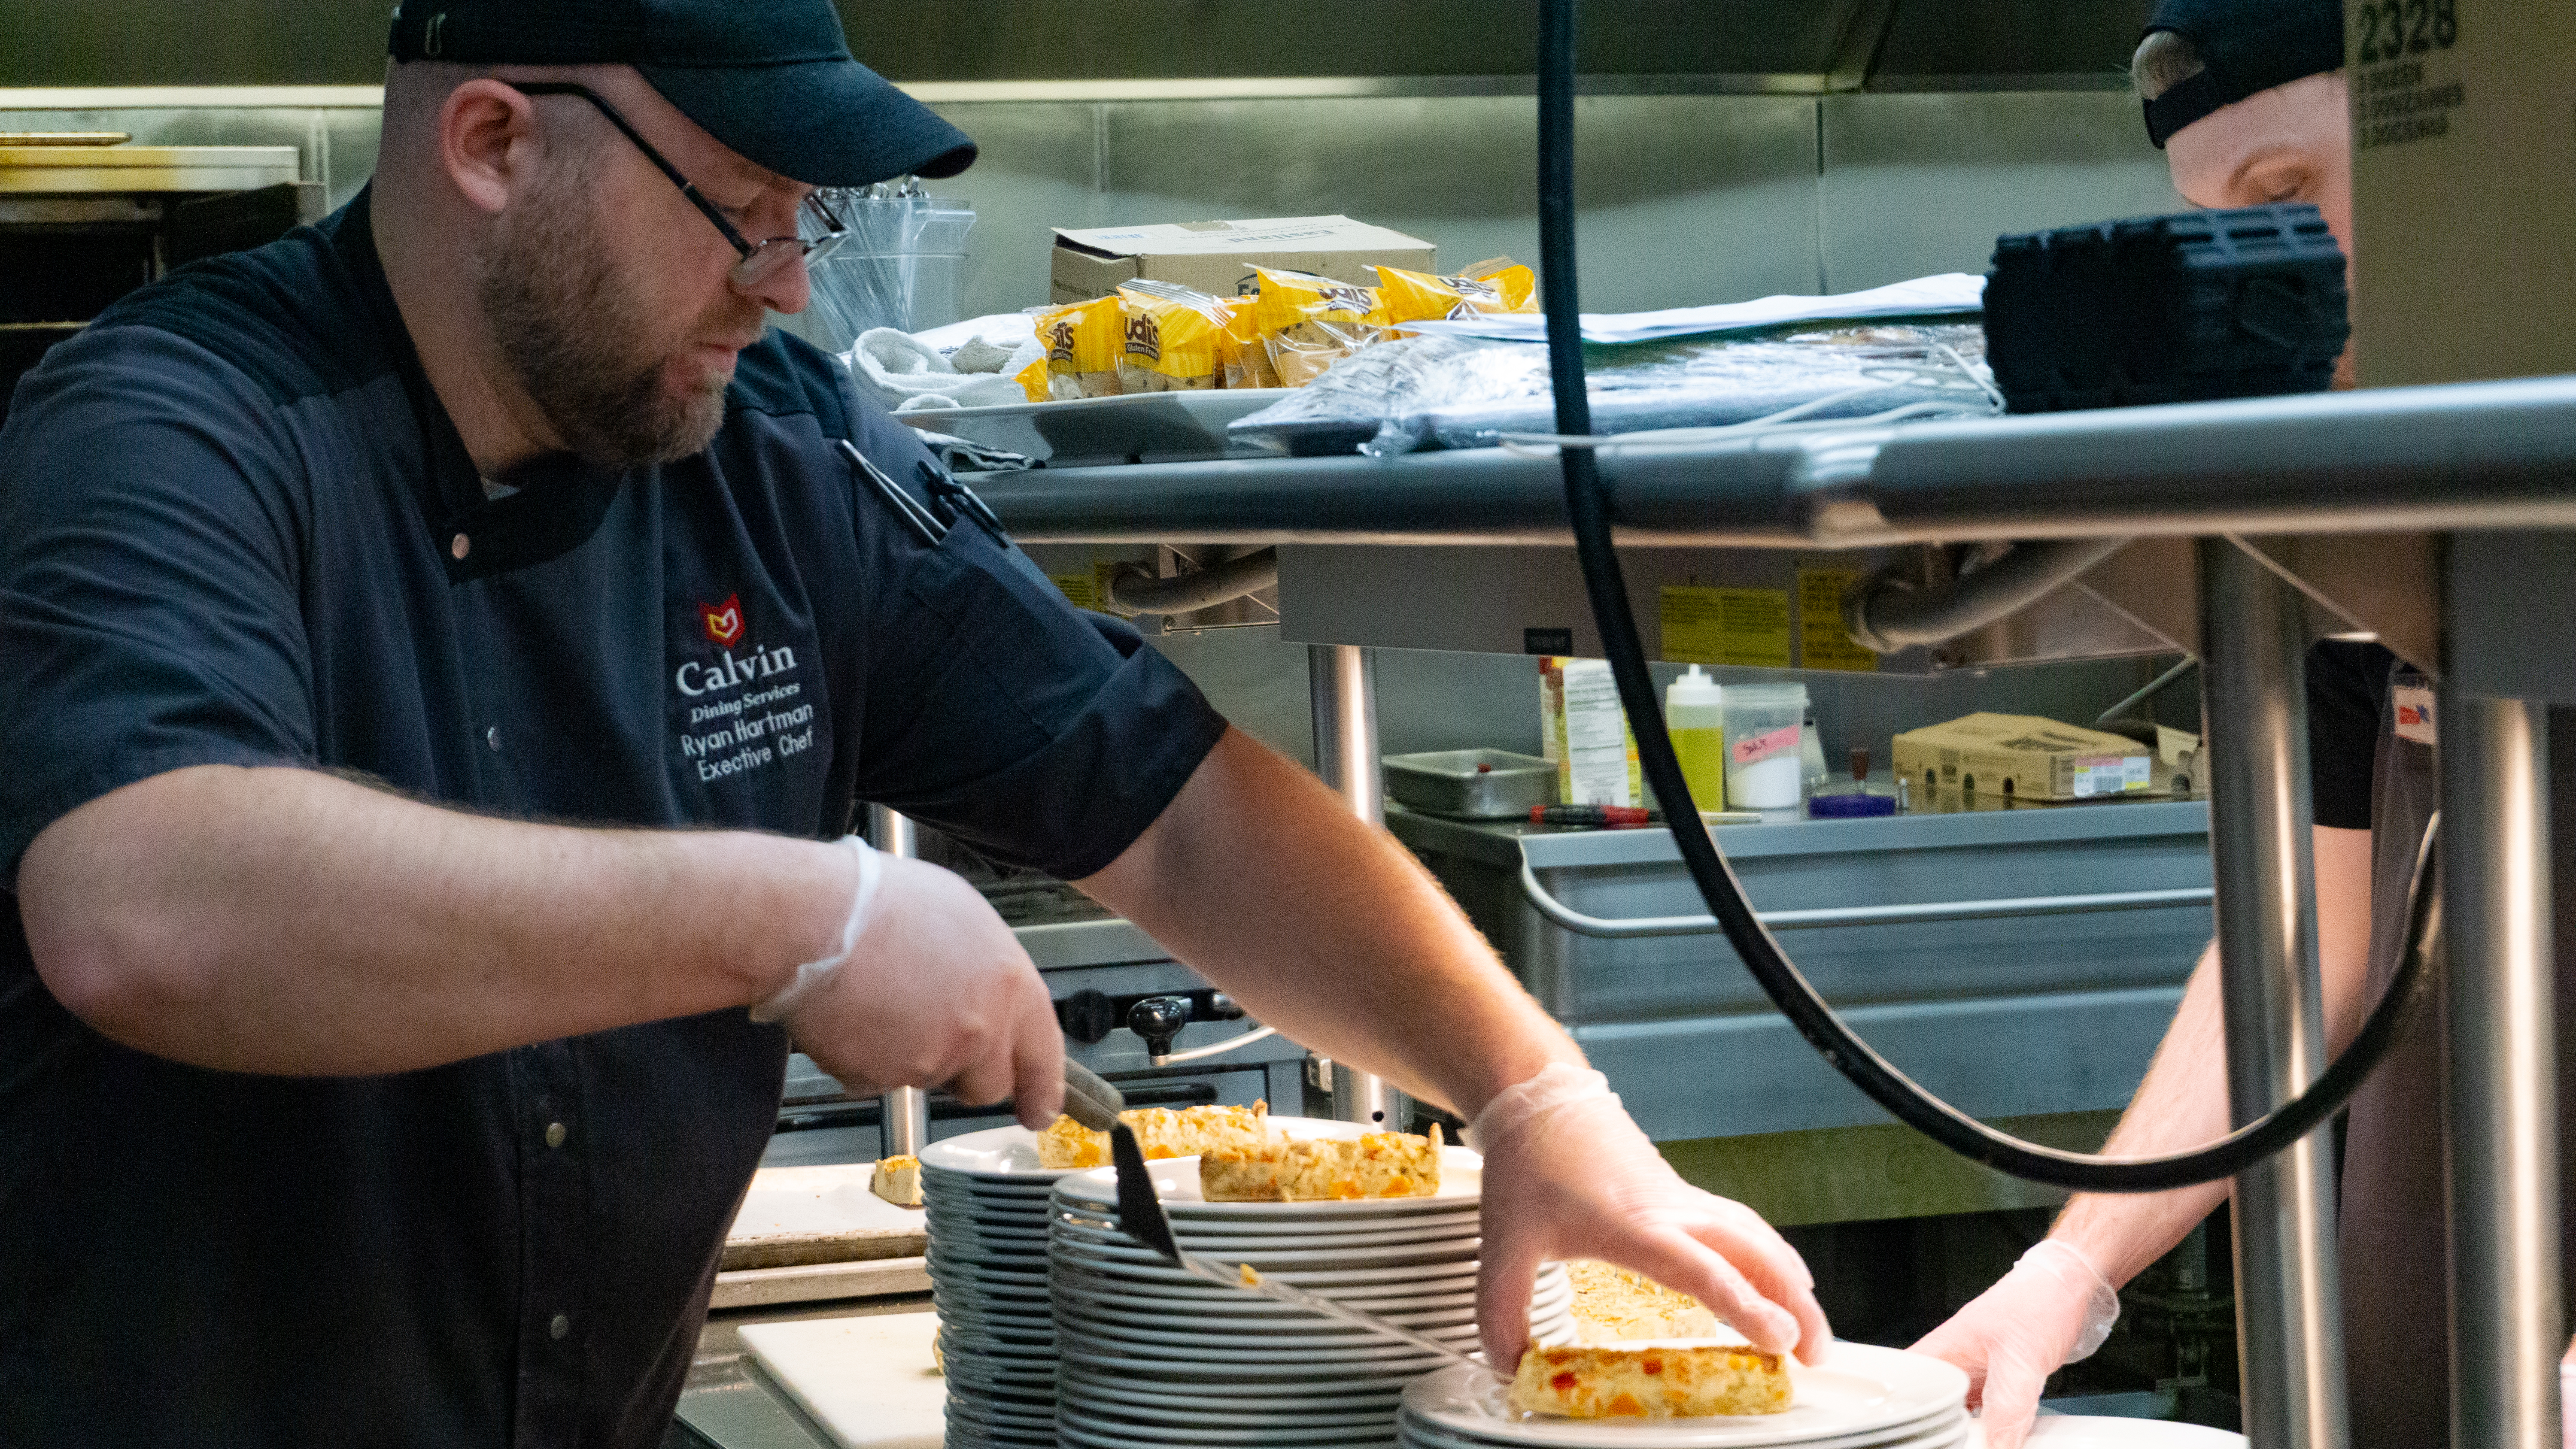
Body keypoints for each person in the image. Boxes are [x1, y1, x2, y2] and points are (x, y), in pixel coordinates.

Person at [0, 3, 1831, 1443]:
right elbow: (145, 902)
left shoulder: (780, 457)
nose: (792, 279)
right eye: (745, 208)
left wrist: (1532, 1095)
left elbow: (1174, 806)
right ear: (490, 143)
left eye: (815, 215)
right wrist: (798, 918)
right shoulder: (164, 430)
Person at [1912, 2, 2576, 1445]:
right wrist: (2068, 1269)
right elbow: (2311, 934)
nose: (2241, 280)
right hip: (2451, 1239)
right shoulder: (2364, 499)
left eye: (2280, 203)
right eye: (2209, 224)